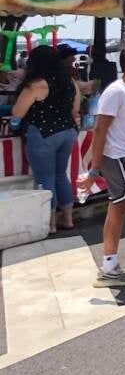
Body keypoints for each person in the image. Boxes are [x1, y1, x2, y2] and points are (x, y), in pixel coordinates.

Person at [78, 42, 125, 288]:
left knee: (118, 209)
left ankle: (110, 266)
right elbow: (99, 129)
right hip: (119, 157)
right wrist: (94, 169)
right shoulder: (116, 91)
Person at [12, 45, 80, 234]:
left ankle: (49, 224)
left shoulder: (37, 84)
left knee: (45, 179)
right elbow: (75, 111)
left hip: (43, 134)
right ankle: (68, 219)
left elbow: (17, 112)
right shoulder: (70, 81)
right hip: (68, 132)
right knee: (60, 175)